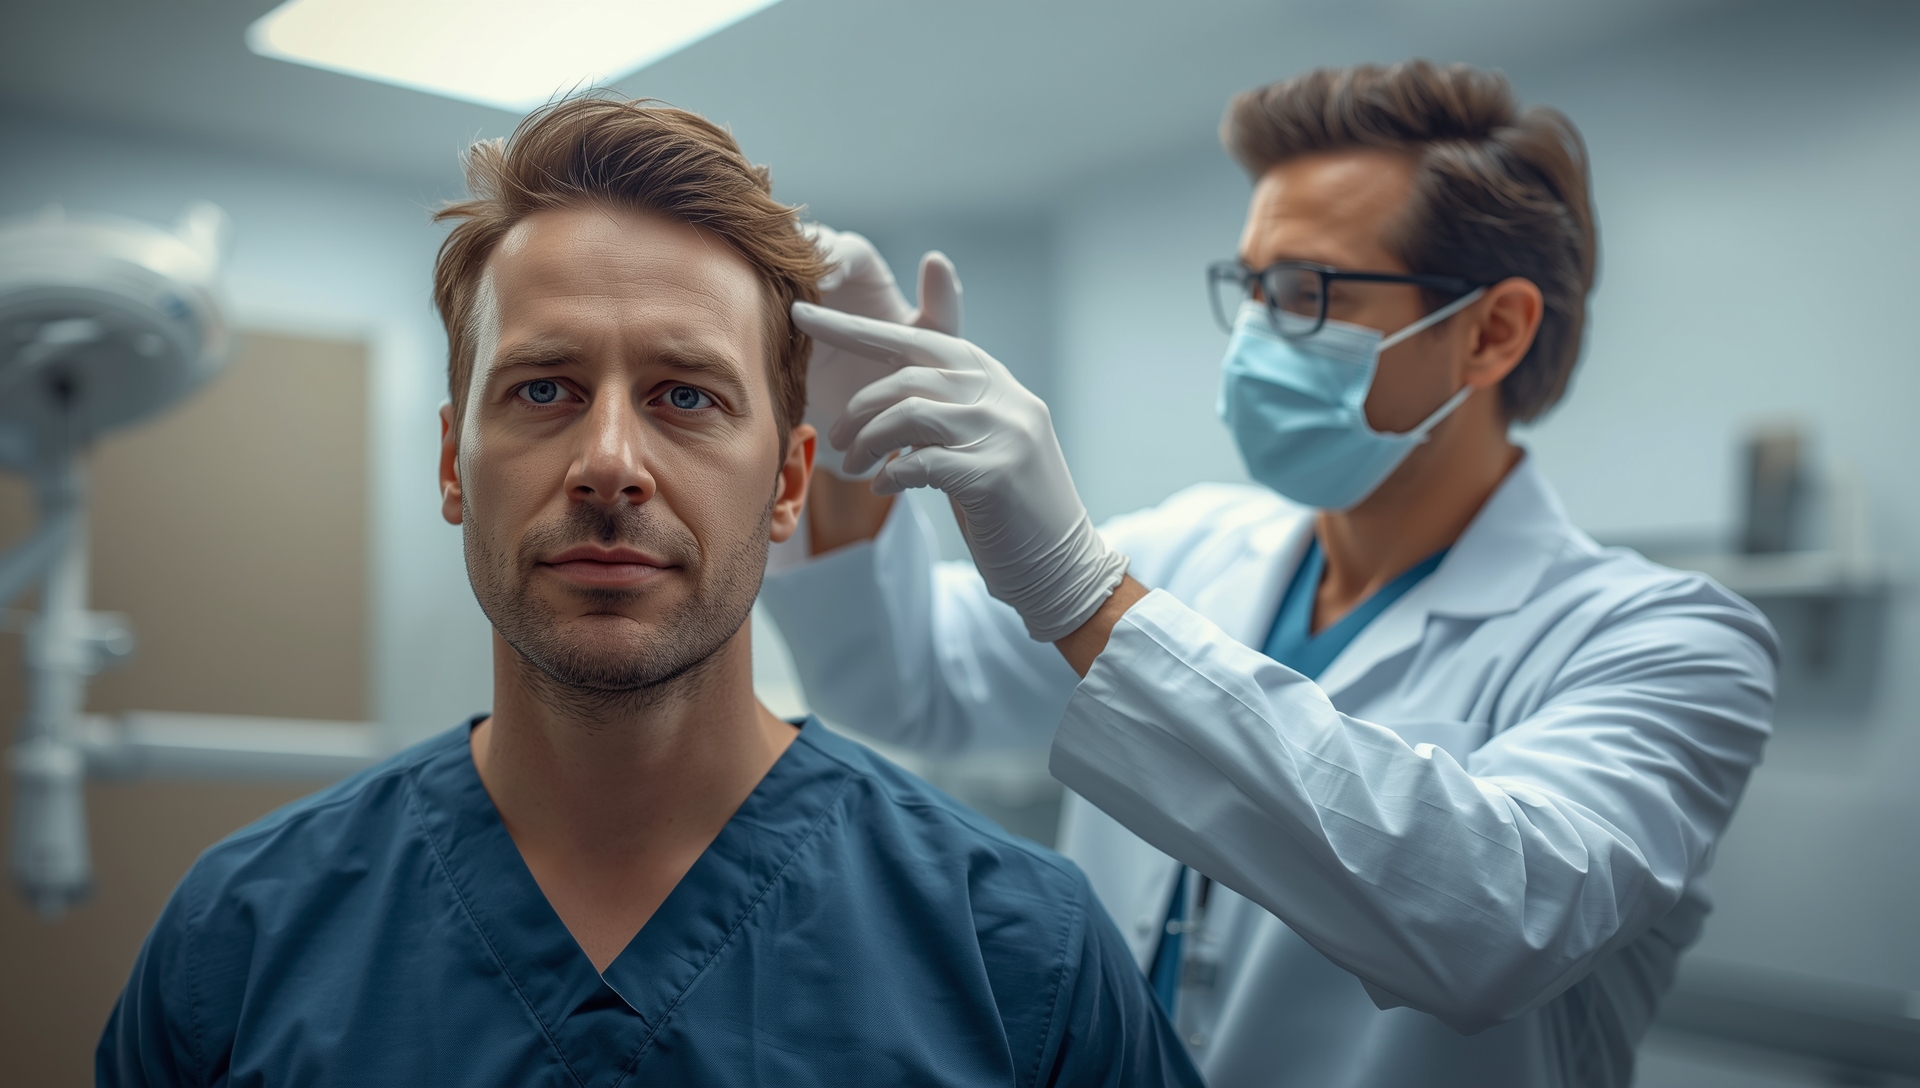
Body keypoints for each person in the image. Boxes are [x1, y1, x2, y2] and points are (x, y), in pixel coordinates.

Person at [96, 96, 1201, 1088]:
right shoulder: (238, 938)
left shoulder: (1019, 951)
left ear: (788, 482)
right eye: (543, 387)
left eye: (685, 393)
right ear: (450, 465)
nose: (609, 459)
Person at [762, 61, 1778, 1087]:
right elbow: (908, 683)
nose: (1255, 334)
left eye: (1307, 291)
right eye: (1251, 286)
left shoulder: (1668, 642)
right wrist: (854, 444)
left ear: (1491, 330)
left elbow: (1497, 923)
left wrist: (1083, 594)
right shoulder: (1195, 549)